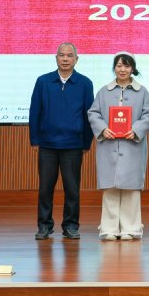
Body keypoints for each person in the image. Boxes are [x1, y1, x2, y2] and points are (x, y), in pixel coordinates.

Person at [29, 42, 94, 240]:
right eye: (61, 55)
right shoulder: (43, 81)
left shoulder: (85, 83)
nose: (65, 59)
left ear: (76, 59)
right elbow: (35, 112)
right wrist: (35, 140)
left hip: (73, 145)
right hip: (47, 144)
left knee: (72, 188)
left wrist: (86, 142)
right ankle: (44, 225)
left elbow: (89, 115)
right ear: (56, 58)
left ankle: (71, 225)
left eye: (69, 55)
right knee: (45, 188)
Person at [87, 52, 149, 241]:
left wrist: (136, 130)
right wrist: (103, 129)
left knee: (131, 189)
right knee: (110, 187)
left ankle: (131, 228)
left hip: (132, 145)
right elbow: (93, 113)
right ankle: (109, 228)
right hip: (109, 145)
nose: (122, 69)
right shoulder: (104, 91)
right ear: (114, 68)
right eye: (119, 66)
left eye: (126, 66)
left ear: (133, 69)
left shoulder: (142, 92)